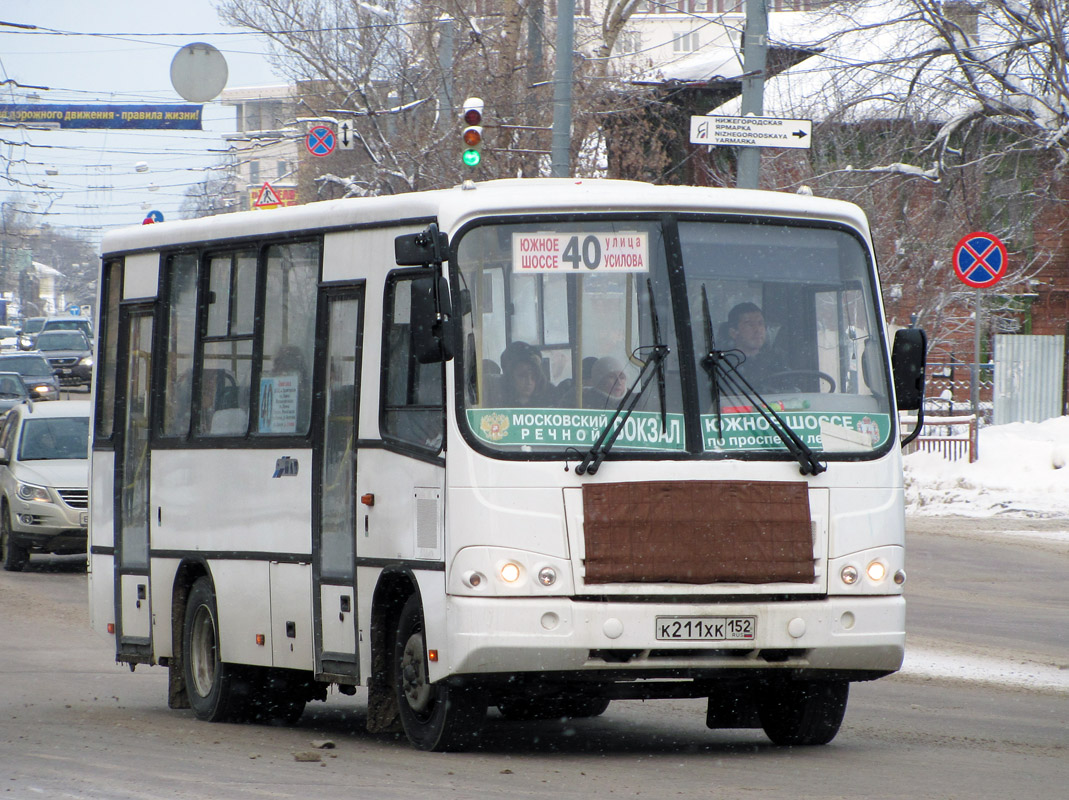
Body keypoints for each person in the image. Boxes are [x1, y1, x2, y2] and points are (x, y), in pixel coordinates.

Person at [725, 302, 785, 389]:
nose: (758, 330)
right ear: (733, 333)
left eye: (760, 323)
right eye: (750, 324)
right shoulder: (724, 365)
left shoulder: (776, 360)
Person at [500, 341, 555, 407]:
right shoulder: (497, 400)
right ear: (510, 377)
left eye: (534, 376)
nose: (529, 382)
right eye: (522, 376)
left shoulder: (551, 400)